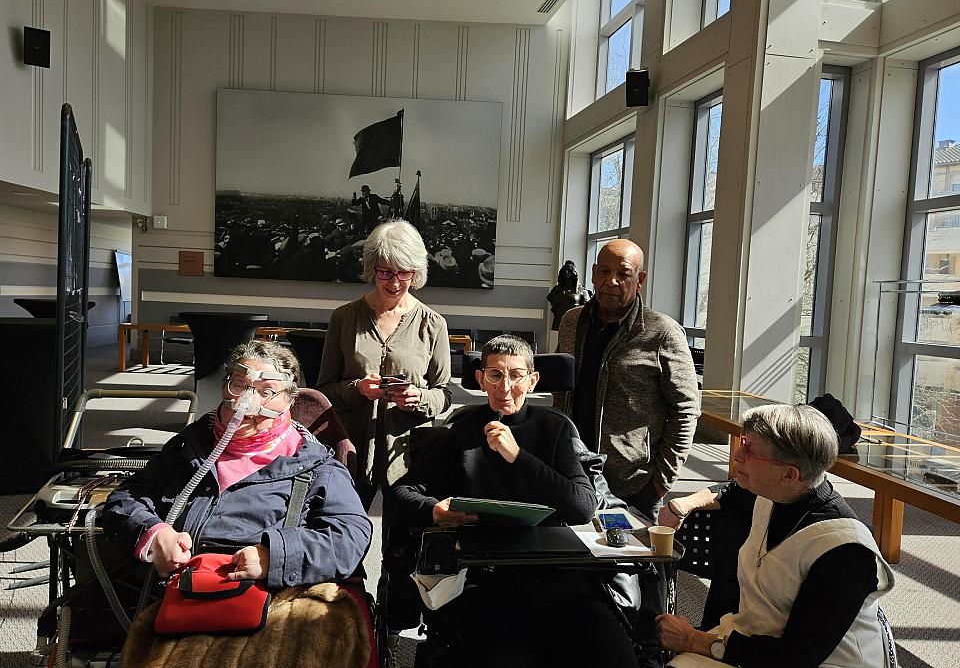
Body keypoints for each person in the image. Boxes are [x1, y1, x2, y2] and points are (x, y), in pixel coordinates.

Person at [390, 335, 640, 668]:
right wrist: (434, 510)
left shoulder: (555, 429)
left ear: (532, 380)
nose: (505, 386)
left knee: (616, 655)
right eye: (495, 375)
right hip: (486, 583)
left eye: (516, 375)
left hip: (557, 577)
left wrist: (518, 457)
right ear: (480, 380)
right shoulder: (461, 433)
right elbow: (401, 494)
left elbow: (582, 506)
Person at [102, 339, 372, 590]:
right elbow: (126, 498)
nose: (246, 401)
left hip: (264, 602)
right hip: (175, 590)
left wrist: (274, 557)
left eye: (267, 391)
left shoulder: (316, 466)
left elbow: (350, 538)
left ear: (289, 400)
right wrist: (154, 534)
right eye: (240, 385)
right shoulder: (188, 447)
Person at [655, 404, 896, 668]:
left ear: (789, 474)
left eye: (750, 451)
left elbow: (797, 656)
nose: (738, 455)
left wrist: (692, 639)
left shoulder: (845, 551)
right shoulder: (773, 494)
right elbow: (730, 492)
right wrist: (684, 504)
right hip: (752, 642)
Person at [555, 238, 700, 520]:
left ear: (640, 278)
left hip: (632, 483)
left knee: (631, 560)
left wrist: (660, 484)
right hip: (571, 471)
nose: (612, 281)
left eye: (623, 274)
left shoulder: (662, 333)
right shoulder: (571, 322)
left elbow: (686, 410)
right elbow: (562, 390)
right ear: (594, 274)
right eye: (605, 273)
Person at [317, 220, 452, 508]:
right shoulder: (344, 318)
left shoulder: (433, 324)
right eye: (385, 272)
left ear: (416, 272)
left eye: (404, 273)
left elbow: (444, 393)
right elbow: (323, 390)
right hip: (349, 450)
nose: (394, 283)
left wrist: (419, 397)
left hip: (407, 454)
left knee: (403, 545)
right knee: (341, 536)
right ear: (371, 269)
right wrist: (357, 388)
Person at [546, 259, 592, 331]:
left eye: (569, 271)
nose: (566, 273)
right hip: (559, 321)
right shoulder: (557, 289)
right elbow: (549, 297)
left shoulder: (581, 290)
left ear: (573, 273)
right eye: (564, 271)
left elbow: (587, 306)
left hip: (574, 322)